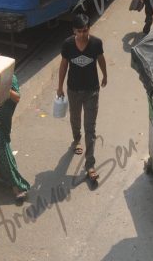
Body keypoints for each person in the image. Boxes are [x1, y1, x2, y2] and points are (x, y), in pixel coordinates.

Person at [57, 13, 107, 183]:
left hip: (92, 91)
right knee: (75, 118)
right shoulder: (68, 45)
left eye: (85, 30)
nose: (83, 34)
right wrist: (60, 86)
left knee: (90, 128)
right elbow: (64, 65)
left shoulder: (96, 43)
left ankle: (90, 165)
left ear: (89, 29)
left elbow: (101, 59)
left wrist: (105, 76)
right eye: (79, 31)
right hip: (73, 91)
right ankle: (76, 139)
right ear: (74, 31)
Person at [0, 74, 30, 202]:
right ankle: (12, 182)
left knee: (2, 150)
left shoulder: (10, 78)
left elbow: (16, 98)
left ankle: (13, 182)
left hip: (1, 121)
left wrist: (2, 88)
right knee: (1, 151)